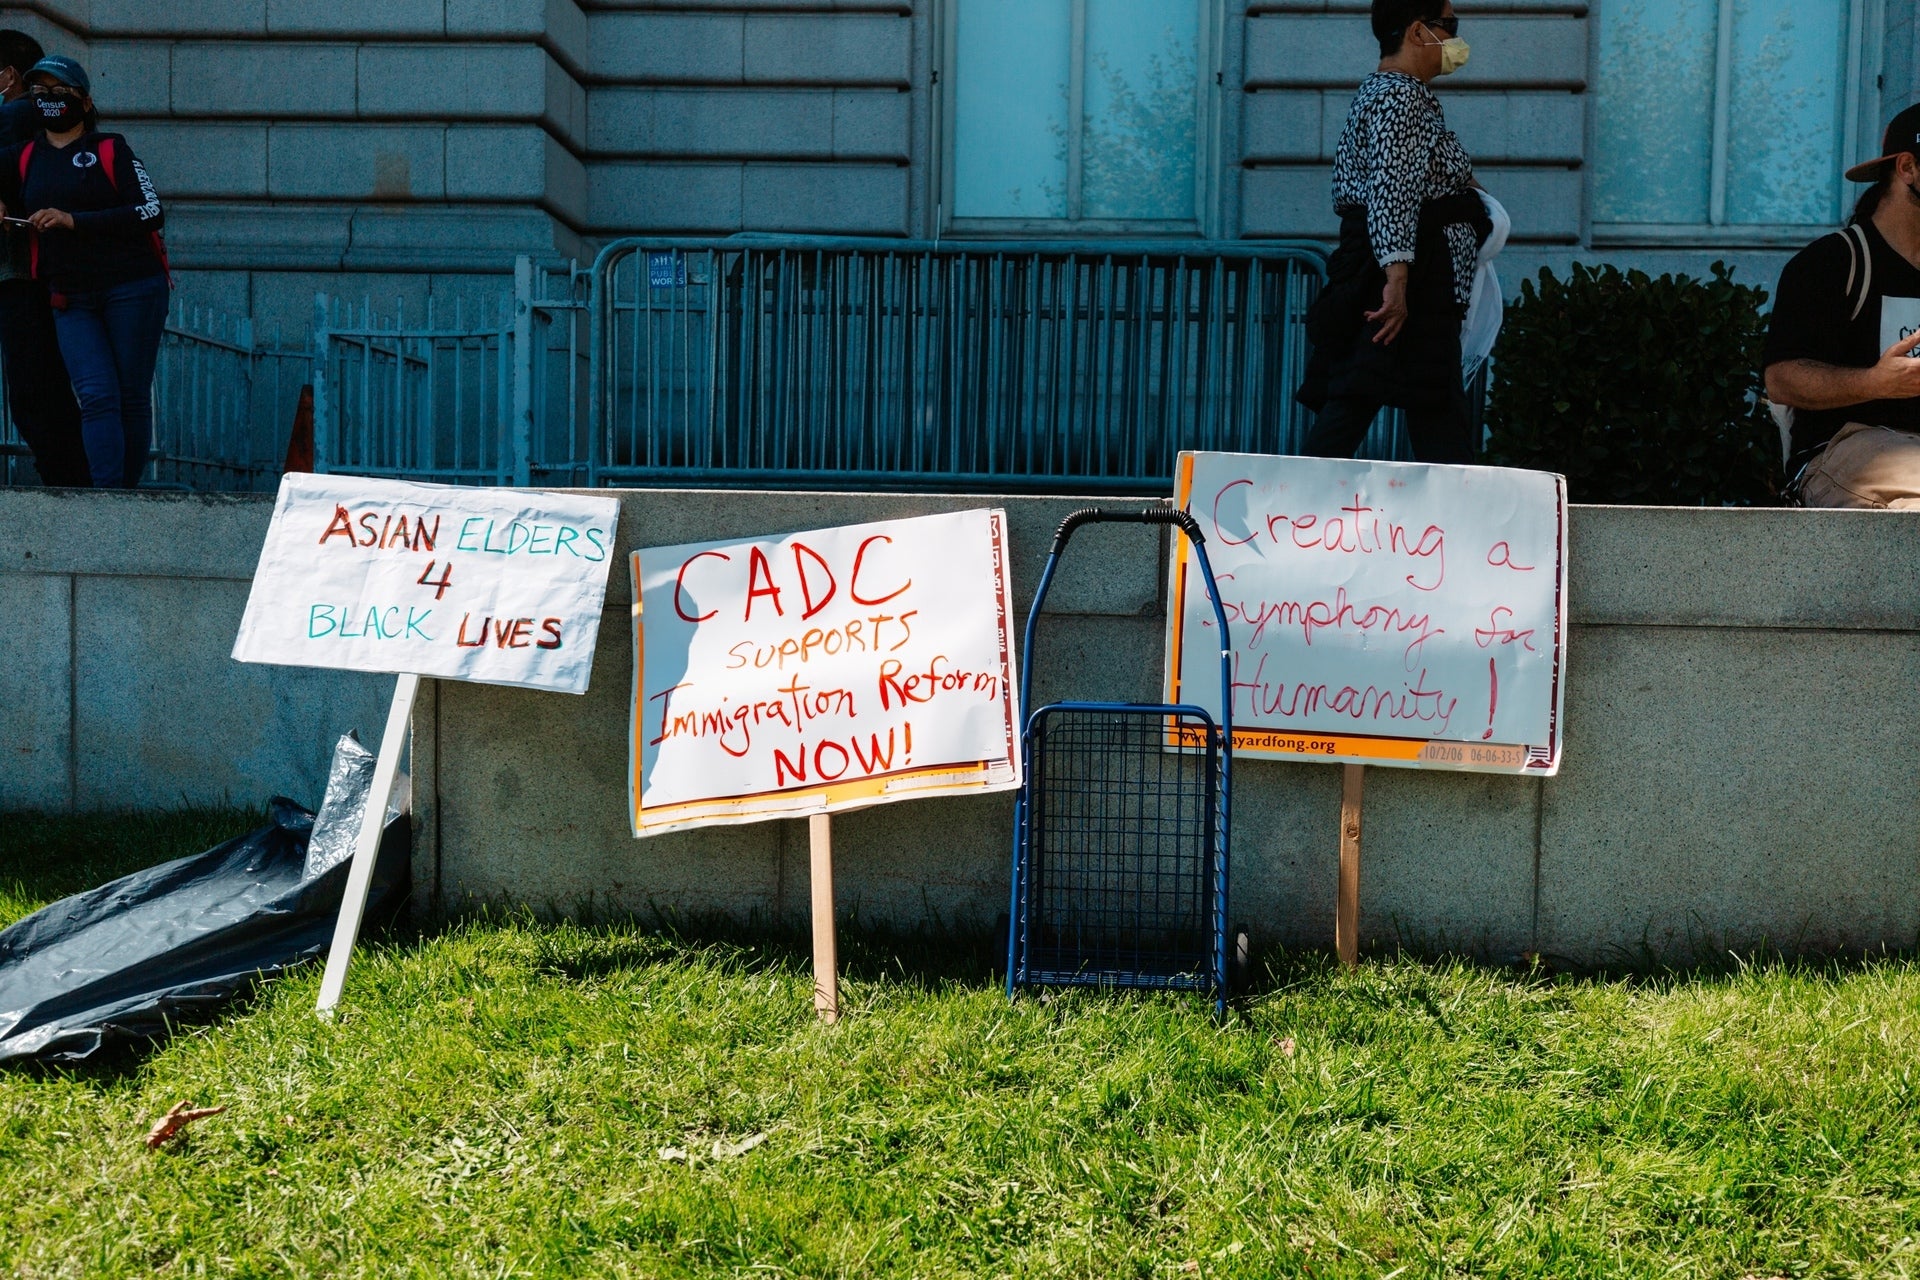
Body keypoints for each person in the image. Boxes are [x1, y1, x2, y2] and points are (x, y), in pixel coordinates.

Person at [1295, 0, 1489, 465]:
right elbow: (1392, 188)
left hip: (1409, 271)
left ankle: (1296, 503)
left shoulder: (1397, 95)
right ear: (1419, 31)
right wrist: (1396, 282)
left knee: (1410, 398)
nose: (1457, 39)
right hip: (1411, 276)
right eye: (1450, 25)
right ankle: (1291, 509)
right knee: (1366, 394)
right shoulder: (1398, 96)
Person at [0, 54, 168, 489]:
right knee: (96, 396)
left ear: (85, 101)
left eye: (60, 92)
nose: (49, 101)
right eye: (39, 93)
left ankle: (122, 497)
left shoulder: (111, 148)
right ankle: (105, 499)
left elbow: (151, 210)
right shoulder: (23, 157)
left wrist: (75, 221)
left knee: (129, 396)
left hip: (131, 289)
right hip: (70, 297)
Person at [1765, 103, 1920, 508]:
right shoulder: (1835, 262)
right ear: (1908, 169)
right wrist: (1877, 382)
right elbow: (1781, 380)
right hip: (1847, 448)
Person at [0, 30, 84, 485]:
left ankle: (66, 478)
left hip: (22, 272)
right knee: (49, 383)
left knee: (34, 386)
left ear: (7, 75)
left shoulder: (15, 113)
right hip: (43, 272)